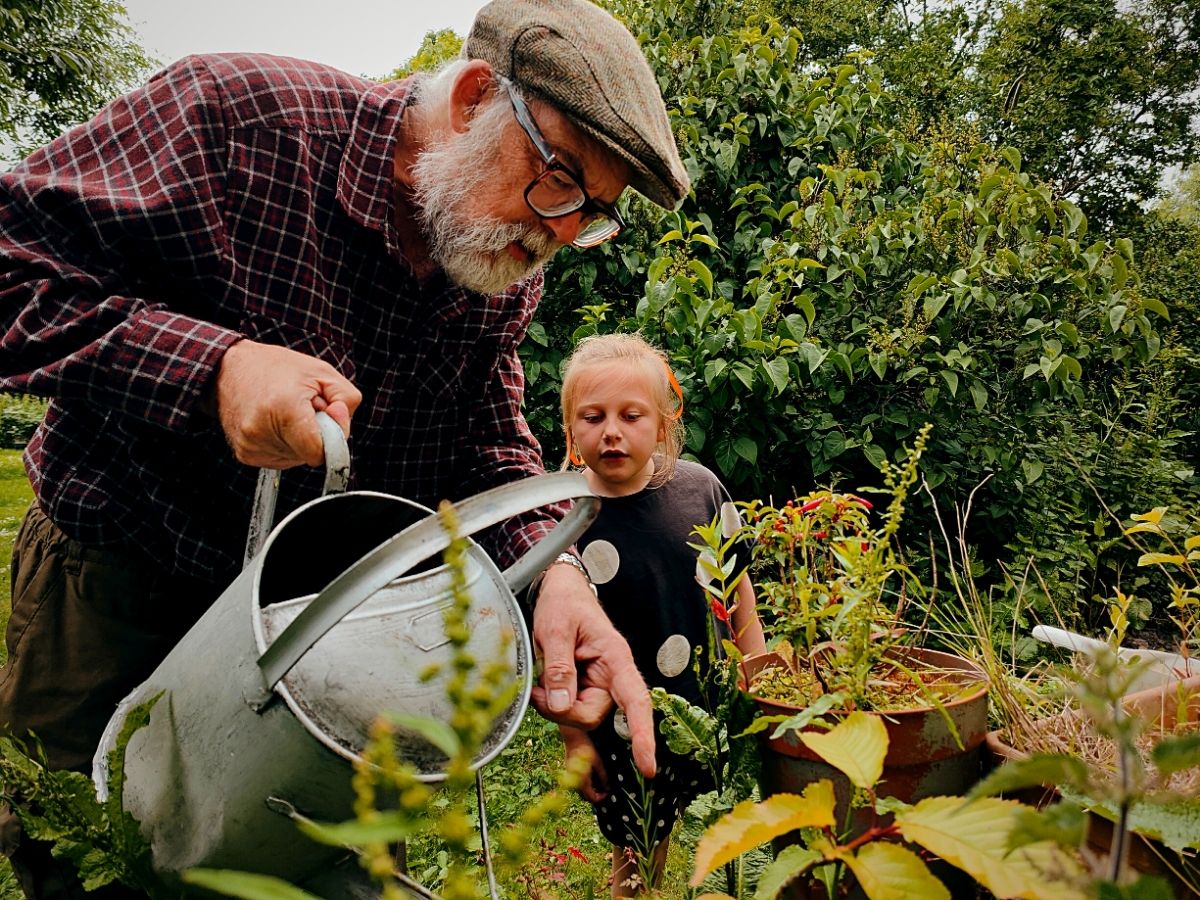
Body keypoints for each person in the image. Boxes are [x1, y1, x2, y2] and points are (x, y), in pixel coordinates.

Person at [0, 0, 691, 896]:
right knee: (91, 862)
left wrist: (553, 573)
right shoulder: (237, 121)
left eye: (591, 213)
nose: (560, 232)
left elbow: (483, 441)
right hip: (122, 581)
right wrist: (214, 369)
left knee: (323, 871)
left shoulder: (496, 257)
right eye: (560, 179)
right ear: (478, 98)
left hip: (330, 626)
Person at [554, 334, 766, 898]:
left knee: (724, 827)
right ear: (570, 429)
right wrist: (575, 739)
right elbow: (555, 644)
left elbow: (736, 581)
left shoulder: (699, 490)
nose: (612, 431)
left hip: (708, 703)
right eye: (592, 417)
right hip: (620, 722)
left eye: (631, 415)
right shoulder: (563, 515)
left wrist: (759, 664)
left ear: (665, 424)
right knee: (639, 841)